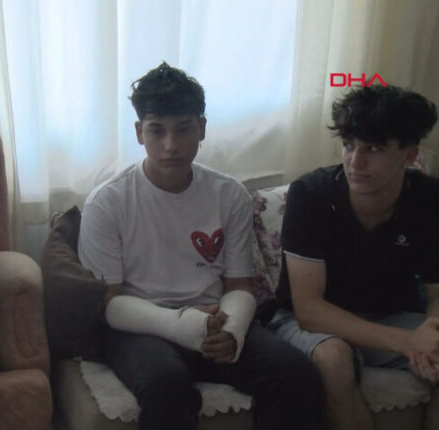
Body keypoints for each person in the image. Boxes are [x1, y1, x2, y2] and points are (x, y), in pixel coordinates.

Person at [78, 62, 323, 430]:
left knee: (296, 374)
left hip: (214, 319)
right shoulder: (107, 202)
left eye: (183, 129)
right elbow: (109, 303)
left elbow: (239, 285)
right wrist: (179, 324)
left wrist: (232, 329)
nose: (170, 145)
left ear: (202, 128)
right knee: (166, 386)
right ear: (139, 133)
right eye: (157, 130)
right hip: (140, 327)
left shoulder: (229, 194)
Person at [270, 84, 439, 430]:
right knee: (333, 359)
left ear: (410, 155)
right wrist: (408, 343)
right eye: (349, 145)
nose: (356, 162)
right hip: (312, 324)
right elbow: (309, 309)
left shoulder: (429, 198)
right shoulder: (311, 195)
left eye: (374, 149)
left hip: (390, 315)